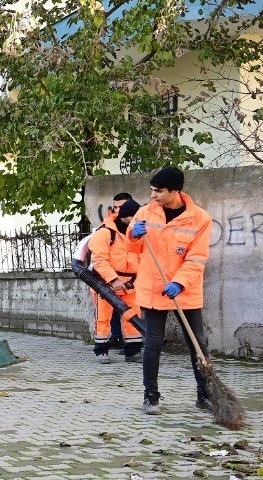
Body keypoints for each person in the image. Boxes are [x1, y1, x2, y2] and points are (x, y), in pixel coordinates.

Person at [126, 166, 213, 415]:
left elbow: (197, 257)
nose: (153, 195)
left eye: (158, 191)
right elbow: (132, 248)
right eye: (152, 190)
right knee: (152, 343)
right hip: (153, 289)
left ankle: (204, 394)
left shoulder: (200, 219)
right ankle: (150, 396)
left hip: (185, 290)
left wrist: (180, 281)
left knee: (198, 344)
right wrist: (133, 234)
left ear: (175, 191)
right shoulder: (145, 213)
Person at [86, 196, 144, 364]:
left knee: (133, 317)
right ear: (123, 216)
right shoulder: (105, 233)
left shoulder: (135, 234)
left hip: (131, 283)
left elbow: (141, 257)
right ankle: (101, 350)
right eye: (131, 217)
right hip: (105, 284)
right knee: (103, 318)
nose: (134, 220)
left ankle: (133, 352)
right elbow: (99, 261)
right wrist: (113, 280)